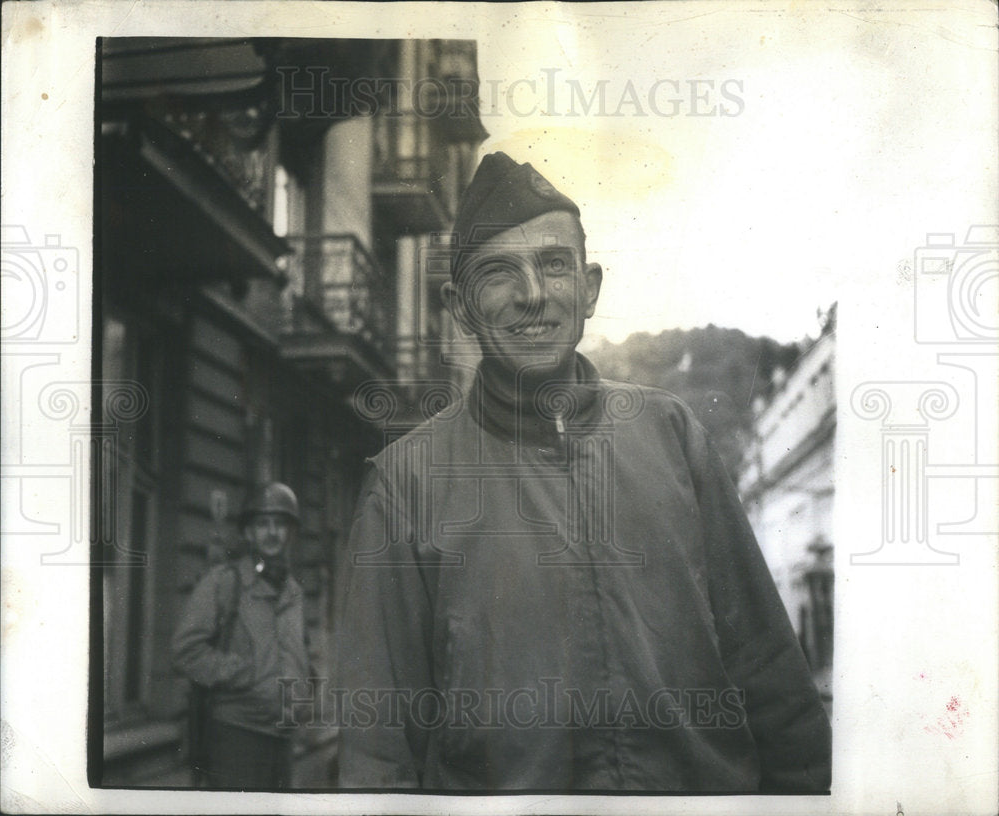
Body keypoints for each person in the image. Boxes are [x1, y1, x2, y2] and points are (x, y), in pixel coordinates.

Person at [335, 152, 832, 792]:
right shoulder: (405, 483)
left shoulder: (672, 435)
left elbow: (766, 665)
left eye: (554, 265)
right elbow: (377, 747)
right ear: (460, 307)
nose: (534, 295)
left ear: (590, 288)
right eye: (498, 273)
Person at [172, 481, 309, 789]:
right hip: (236, 734)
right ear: (248, 532)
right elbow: (186, 650)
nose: (272, 533)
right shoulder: (224, 583)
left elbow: (299, 652)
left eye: (280, 524)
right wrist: (241, 673)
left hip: (283, 736)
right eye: (263, 524)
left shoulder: (294, 592)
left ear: (290, 533)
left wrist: (303, 696)